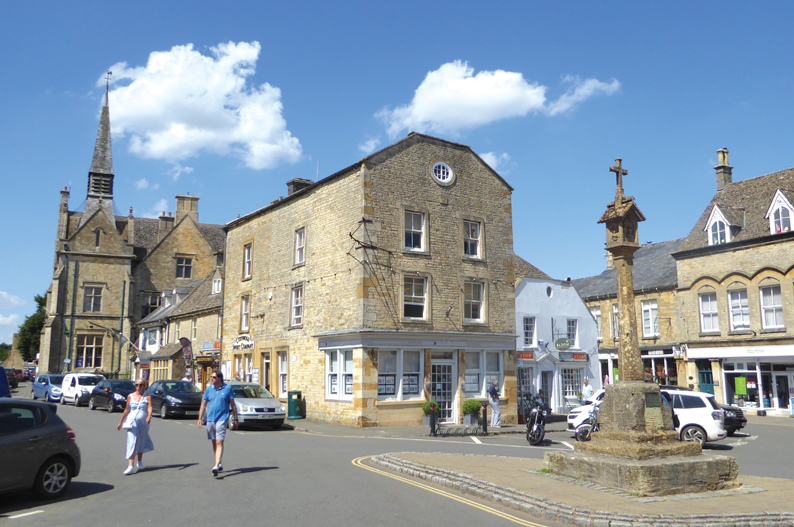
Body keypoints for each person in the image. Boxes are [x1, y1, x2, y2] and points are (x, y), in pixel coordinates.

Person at [197, 370, 238, 476]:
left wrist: (236, 418)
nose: (211, 379)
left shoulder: (228, 388)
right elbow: (203, 404)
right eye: (211, 377)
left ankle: (215, 465)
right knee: (214, 442)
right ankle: (219, 463)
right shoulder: (209, 389)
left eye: (214, 377)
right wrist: (199, 418)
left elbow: (233, 404)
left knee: (219, 442)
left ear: (219, 378)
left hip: (222, 418)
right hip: (210, 419)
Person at [117, 379, 154, 475]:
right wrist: (120, 422)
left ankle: (140, 461)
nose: (138, 387)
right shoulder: (130, 396)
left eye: (140, 385)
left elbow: (150, 407)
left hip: (143, 422)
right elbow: (126, 409)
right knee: (131, 441)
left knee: (141, 440)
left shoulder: (148, 396)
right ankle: (130, 466)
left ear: (144, 386)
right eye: (136, 385)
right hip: (131, 422)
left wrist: (149, 415)